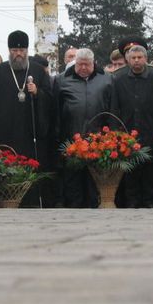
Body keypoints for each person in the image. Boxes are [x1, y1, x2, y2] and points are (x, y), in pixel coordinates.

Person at [0, 30, 53, 206]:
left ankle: (31, 202)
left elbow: (50, 99)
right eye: (14, 50)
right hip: (5, 132)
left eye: (21, 50)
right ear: (9, 50)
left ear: (27, 50)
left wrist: (37, 93)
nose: (18, 54)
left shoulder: (37, 70)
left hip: (30, 132)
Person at [54, 48, 112, 208]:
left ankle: (93, 208)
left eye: (87, 65)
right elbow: (55, 110)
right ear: (74, 63)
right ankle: (73, 209)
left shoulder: (106, 79)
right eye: (80, 64)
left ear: (93, 63)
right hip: (71, 138)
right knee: (73, 180)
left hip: (98, 139)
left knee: (94, 179)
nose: (83, 68)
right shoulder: (61, 80)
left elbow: (112, 107)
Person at [111, 44, 153, 208]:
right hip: (126, 131)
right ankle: (132, 202)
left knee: (150, 170)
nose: (136, 61)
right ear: (128, 60)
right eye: (133, 58)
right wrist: (115, 132)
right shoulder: (119, 79)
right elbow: (114, 106)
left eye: (139, 58)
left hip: (149, 130)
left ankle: (149, 201)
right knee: (130, 170)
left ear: (145, 59)